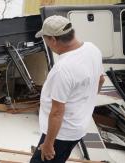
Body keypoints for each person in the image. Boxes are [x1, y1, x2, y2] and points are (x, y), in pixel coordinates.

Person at [30, 15, 105, 163]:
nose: (47, 44)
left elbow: (57, 112)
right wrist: (84, 100)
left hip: (61, 134)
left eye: (45, 40)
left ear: (53, 39)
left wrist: (49, 145)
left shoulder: (63, 69)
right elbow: (100, 79)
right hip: (78, 126)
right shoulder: (92, 49)